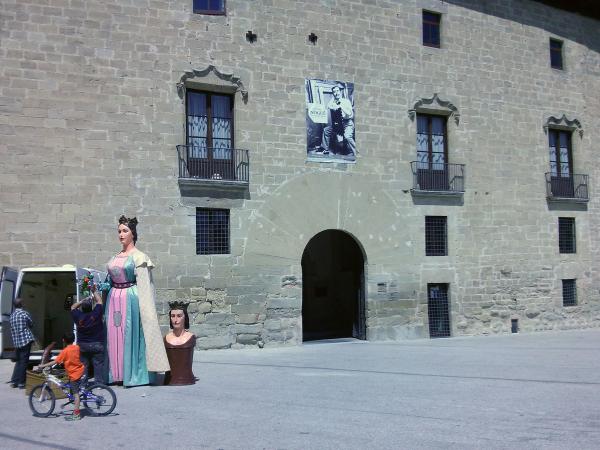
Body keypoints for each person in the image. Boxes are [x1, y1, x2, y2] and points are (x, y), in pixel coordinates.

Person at [100, 215, 169, 387]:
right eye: (119, 231)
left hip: (130, 299)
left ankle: (133, 375)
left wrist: (146, 312)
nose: (121, 234)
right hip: (113, 300)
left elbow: (145, 287)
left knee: (129, 335)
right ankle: (115, 374)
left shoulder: (139, 257)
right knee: (114, 337)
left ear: (133, 233)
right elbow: (109, 279)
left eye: (125, 231)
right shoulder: (116, 256)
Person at [35, 332, 85, 421]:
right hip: (79, 370)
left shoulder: (65, 351)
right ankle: (74, 401)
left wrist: (43, 365)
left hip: (74, 374)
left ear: (63, 340)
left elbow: (55, 361)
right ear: (73, 339)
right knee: (70, 387)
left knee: (76, 394)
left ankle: (76, 414)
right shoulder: (76, 347)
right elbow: (71, 358)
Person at [71, 285, 105, 384]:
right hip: (96, 344)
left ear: (81, 308)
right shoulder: (96, 313)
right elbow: (99, 301)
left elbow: (72, 307)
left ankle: (83, 384)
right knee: (98, 364)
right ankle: (99, 384)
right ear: (91, 307)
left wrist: (82, 301)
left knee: (83, 365)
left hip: (82, 345)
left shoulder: (78, 315)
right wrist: (94, 291)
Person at [315, 85, 356, 156]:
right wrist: (334, 101)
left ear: (340, 92)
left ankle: (356, 153)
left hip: (348, 123)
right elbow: (328, 106)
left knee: (347, 136)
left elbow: (349, 113)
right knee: (326, 130)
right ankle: (325, 149)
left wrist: (340, 105)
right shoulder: (334, 101)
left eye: (337, 91)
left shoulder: (346, 101)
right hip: (339, 124)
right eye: (334, 92)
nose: (336, 93)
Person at [164, 301, 196, 386]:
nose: (175, 320)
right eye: (172, 316)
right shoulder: (166, 338)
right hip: (169, 380)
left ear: (185, 317)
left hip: (188, 379)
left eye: (179, 316)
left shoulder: (191, 337)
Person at [9, 298, 35, 389]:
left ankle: (14, 381)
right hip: (25, 340)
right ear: (21, 304)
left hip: (17, 342)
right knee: (24, 362)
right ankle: (21, 382)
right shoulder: (24, 313)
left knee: (19, 361)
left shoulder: (12, 316)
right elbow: (31, 324)